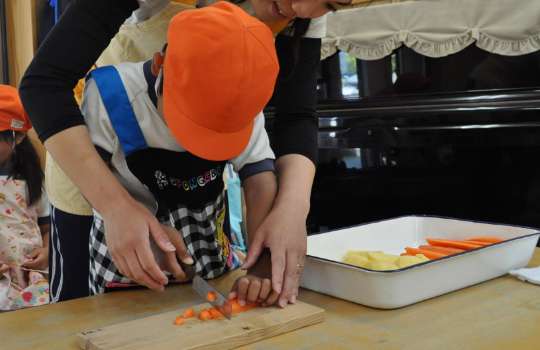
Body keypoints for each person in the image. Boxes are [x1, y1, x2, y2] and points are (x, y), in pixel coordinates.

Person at [19, 0, 356, 308]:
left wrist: (290, 211)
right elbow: (43, 85)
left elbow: (286, 128)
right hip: (93, 178)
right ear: (161, 64)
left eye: (328, 3)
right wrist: (116, 207)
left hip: (200, 213)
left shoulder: (250, 107)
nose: (298, 6)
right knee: (83, 316)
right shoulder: (109, 97)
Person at [80, 3, 281, 302]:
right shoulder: (109, 95)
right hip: (126, 256)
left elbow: (259, 177)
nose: (194, 144)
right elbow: (86, 174)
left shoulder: (244, 99)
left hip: (209, 252)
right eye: (187, 122)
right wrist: (133, 221)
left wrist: (261, 261)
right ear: (161, 64)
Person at [0, 85, 50, 310]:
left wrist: (47, 251)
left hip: (31, 274)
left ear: (17, 136)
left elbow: (47, 227)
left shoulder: (31, 179)